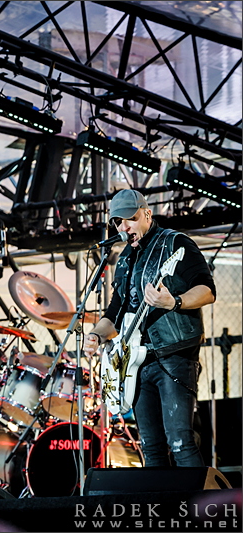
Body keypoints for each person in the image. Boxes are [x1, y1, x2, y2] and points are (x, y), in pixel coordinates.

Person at [83, 189, 215, 467]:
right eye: (117, 222)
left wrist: (174, 302)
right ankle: (159, 497)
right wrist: (96, 334)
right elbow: (115, 313)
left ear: (147, 214)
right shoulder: (125, 259)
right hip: (137, 362)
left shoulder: (175, 243)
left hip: (174, 355)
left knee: (180, 442)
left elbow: (207, 289)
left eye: (130, 219)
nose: (124, 227)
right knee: (151, 447)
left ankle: (199, 496)